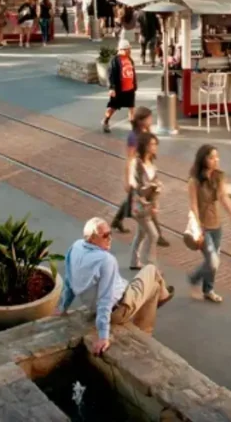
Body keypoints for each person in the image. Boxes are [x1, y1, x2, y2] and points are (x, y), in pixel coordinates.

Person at [58, 218, 175, 354]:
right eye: (105, 235)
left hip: (96, 306)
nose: (110, 238)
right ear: (92, 239)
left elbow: (69, 280)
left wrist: (63, 307)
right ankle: (152, 318)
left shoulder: (75, 247)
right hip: (119, 309)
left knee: (152, 287)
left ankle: (159, 297)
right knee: (151, 271)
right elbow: (105, 299)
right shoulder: (106, 260)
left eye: (110, 233)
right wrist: (103, 336)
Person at [187, 145, 231, 303]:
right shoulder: (194, 181)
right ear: (203, 159)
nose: (216, 160)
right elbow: (193, 206)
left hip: (216, 225)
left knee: (213, 261)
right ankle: (194, 279)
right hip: (203, 226)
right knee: (213, 260)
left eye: (217, 157)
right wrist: (198, 228)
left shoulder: (218, 177)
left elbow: (224, 197)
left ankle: (208, 290)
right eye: (212, 157)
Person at [110, 108, 169, 247]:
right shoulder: (133, 136)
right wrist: (127, 179)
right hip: (138, 173)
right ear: (140, 120)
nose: (151, 120)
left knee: (133, 198)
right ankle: (158, 235)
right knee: (146, 202)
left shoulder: (147, 133)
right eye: (148, 118)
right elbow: (130, 159)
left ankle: (117, 220)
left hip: (147, 171)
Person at [129, 132, 162, 270]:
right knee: (153, 235)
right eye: (152, 144)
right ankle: (151, 265)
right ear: (145, 146)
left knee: (141, 234)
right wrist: (148, 187)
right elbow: (134, 185)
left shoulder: (151, 163)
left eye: (155, 144)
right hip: (140, 206)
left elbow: (153, 182)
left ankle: (134, 261)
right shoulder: (137, 163)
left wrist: (157, 187)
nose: (155, 147)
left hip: (148, 206)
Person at [102, 39, 137, 133]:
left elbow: (133, 73)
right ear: (121, 49)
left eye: (129, 49)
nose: (129, 51)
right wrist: (112, 88)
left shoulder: (130, 59)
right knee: (113, 107)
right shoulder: (115, 61)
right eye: (127, 49)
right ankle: (105, 121)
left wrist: (134, 85)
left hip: (130, 89)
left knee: (132, 107)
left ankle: (133, 126)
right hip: (119, 89)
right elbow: (110, 75)